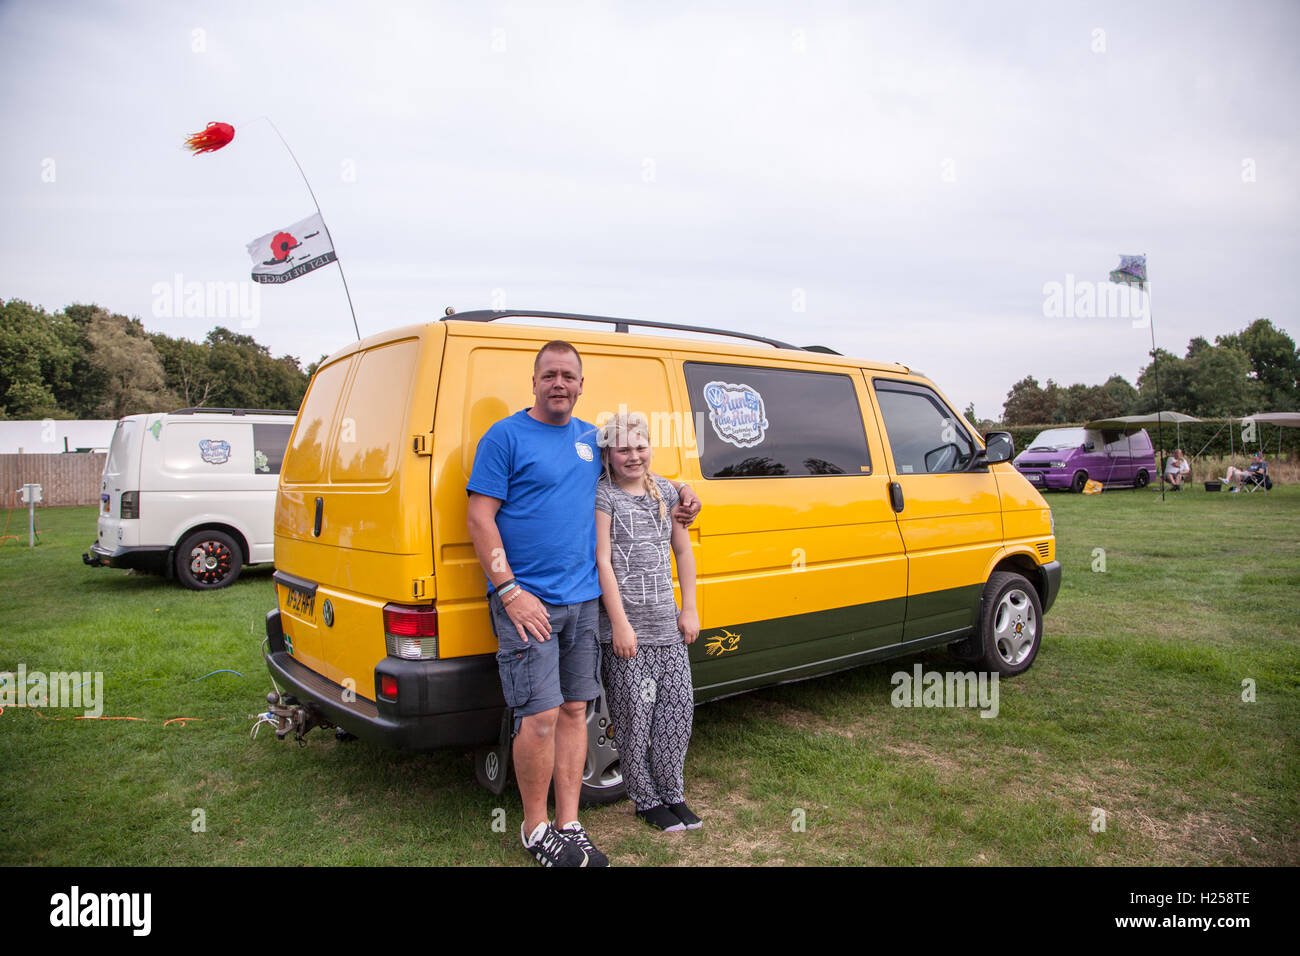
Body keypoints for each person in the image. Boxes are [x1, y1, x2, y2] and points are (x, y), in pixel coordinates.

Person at [465, 341, 700, 867]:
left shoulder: (593, 439)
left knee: (576, 709)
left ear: (580, 383)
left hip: (583, 603)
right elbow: (480, 518)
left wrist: (684, 489)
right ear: (533, 381)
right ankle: (535, 827)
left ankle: (570, 823)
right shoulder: (504, 437)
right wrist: (509, 590)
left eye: (568, 375)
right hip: (529, 602)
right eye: (549, 374)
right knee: (541, 715)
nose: (558, 384)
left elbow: (636, 469)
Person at [595, 413, 701, 833]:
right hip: (627, 631)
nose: (633, 456)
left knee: (677, 709)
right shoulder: (605, 497)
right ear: (609, 454)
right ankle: (645, 799)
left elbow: (684, 553)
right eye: (623, 449)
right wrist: (619, 624)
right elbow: (602, 560)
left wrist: (688, 608)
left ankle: (673, 791)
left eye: (640, 447)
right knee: (634, 715)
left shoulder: (668, 491)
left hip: (667, 625)